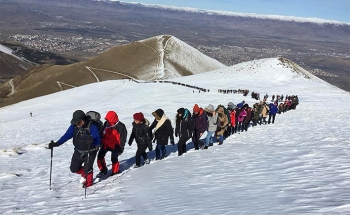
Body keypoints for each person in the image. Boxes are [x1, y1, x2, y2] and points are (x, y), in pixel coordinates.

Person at [48, 110, 101, 188]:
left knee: (88, 169)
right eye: (75, 122)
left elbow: (98, 139)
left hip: (90, 151)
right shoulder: (74, 126)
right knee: (73, 169)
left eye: (78, 122)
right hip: (78, 151)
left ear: (83, 120)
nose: (77, 124)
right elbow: (67, 135)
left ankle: (89, 184)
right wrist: (57, 143)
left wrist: (93, 141)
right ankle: (85, 173)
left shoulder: (92, 126)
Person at [96, 111, 127, 178]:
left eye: (109, 120)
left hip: (116, 145)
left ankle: (115, 171)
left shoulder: (121, 126)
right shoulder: (106, 124)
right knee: (100, 157)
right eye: (107, 120)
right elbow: (103, 133)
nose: (108, 121)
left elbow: (123, 138)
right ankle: (103, 170)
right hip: (106, 143)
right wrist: (101, 141)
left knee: (114, 158)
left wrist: (121, 148)